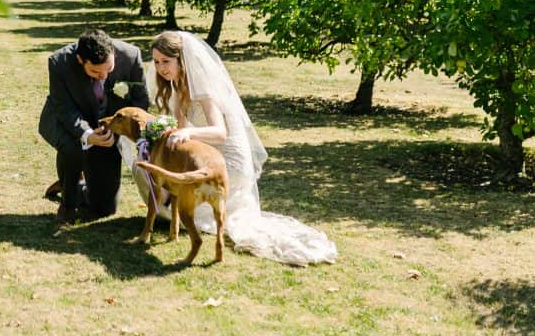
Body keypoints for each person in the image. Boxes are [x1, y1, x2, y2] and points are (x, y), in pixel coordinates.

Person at [142, 29, 338, 265]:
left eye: (166, 61)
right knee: (173, 204)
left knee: (188, 217)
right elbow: (183, 133)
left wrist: (187, 132)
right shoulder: (176, 87)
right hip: (207, 159)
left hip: (229, 165)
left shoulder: (203, 89)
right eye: (156, 62)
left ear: (181, 60)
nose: (161, 68)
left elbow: (220, 133)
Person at [37, 29, 149, 224]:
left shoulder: (132, 56)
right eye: (95, 72)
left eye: (109, 69)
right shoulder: (59, 63)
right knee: (72, 148)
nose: (103, 76)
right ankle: (68, 203)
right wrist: (87, 134)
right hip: (64, 119)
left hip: (109, 125)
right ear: (81, 60)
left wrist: (116, 131)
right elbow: (64, 108)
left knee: (105, 209)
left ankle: (75, 186)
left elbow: (140, 101)